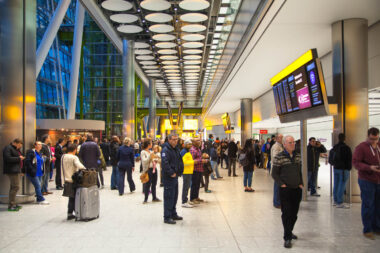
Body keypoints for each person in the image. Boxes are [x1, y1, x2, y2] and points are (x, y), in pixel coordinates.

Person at [272, 135, 303, 249]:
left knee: (294, 214)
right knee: (286, 214)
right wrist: (282, 184)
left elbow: (299, 171)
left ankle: (289, 231)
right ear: (284, 144)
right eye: (290, 142)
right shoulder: (279, 157)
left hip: (296, 189)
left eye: (293, 142)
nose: (293, 144)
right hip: (285, 190)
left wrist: (301, 183)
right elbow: (274, 173)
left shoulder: (298, 156)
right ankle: (287, 237)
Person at [352, 127, 380, 240]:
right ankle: (367, 229)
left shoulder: (378, 146)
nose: (374, 141)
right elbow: (355, 163)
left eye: (376, 138)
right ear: (367, 136)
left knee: (378, 205)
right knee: (368, 205)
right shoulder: (361, 147)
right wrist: (369, 168)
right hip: (366, 180)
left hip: (378, 180)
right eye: (372, 139)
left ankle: (377, 227)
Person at [161, 134, 184, 224]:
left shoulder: (176, 149)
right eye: (174, 139)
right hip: (169, 177)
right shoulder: (165, 150)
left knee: (174, 196)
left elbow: (179, 160)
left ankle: (173, 213)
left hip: (175, 176)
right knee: (169, 196)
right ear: (169, 140)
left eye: (176, 139)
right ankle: (167, 216)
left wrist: (179, 171)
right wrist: (171, 173)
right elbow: (165, 163)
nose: (175, 141)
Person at [61, 143, 85, 220]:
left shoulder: (63, 156)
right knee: (74, 197)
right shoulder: (74, 157)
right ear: (75, 150)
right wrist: (85, 169)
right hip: (73, 179)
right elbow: (80, 166)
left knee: (71, 197)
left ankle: (70, 212)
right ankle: (72, 213)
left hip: (65, 179)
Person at [329, 133, 352, 209]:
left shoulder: (334, 147)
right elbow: (349, 159)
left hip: (336, 168)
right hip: (344, 169)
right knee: (342, 185)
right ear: (344, 138)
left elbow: (330, 158)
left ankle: (335, 201)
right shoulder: (346, 148)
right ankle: (340, 202)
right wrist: (348, 168)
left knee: (336, 184)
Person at [3, 138, 25, 211]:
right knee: (15, 187)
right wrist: (19, 158)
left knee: (13, 187)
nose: (19, 147)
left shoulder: (16, 149)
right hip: (11, 170)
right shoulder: (8, 148)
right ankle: (11, 205)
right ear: (15, 143)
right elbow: (7, 158)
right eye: (19, 145)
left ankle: (13, 203)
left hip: (16, 170)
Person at [141, 138, 160, 203]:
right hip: (148, 170)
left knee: (154, 184)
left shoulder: (151, 151)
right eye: (151, 143)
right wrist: (150, 156)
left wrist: (156, 160)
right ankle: (145, 199)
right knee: (147, 184)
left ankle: (154, 197)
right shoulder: (143, 152)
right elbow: (144, 161)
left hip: (154, 169)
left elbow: (154, 160)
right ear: (148, 144)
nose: (152, 144)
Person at [190, 137, 208, 204]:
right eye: (197, 140)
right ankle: (192, 198)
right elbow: (192, 161)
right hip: (195, 170)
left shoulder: (198, 149)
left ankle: (196, 197)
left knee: (197, 184)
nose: (199, 141)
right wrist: (201, 160)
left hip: (199, 169)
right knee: (194, 184)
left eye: (199, 140)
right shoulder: (192, 150)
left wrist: (203, 156)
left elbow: (198, 157)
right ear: (193, 142)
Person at [271, 134, 284, 208]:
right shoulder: (276, 146)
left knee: (279, 186)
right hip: (277, 169)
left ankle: (278, 201)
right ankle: (277, 202)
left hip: (280, 169)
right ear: (277, 139)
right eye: (281, 138)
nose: (283, 139)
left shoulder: (280, 146)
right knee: (277, 186)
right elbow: (275, 157)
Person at [181, 139, 194, 208]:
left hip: (189, 171)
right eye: (189, 144)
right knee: (185, 187)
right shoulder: (183, 152)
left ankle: (186, 199)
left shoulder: (188, 152)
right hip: (186, 172)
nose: (190, 145)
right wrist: (193, 162)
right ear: (185, 144)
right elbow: (184, 163)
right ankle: (184, 201)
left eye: (191, 144)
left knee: (188, 186)